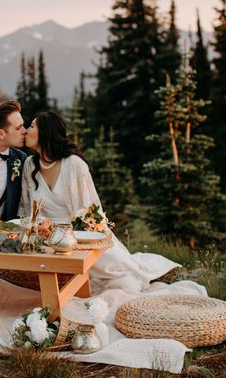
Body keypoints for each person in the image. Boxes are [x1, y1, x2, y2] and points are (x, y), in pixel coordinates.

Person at [20, 111, 178, 293]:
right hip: (48, 238)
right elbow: (27, 211)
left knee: (122, 276)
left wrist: (79, 240)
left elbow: (90, 210)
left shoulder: (74, 164)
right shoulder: (30, 165)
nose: (25, 131)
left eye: (31, 126)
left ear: (46, 132)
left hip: (81, 235)